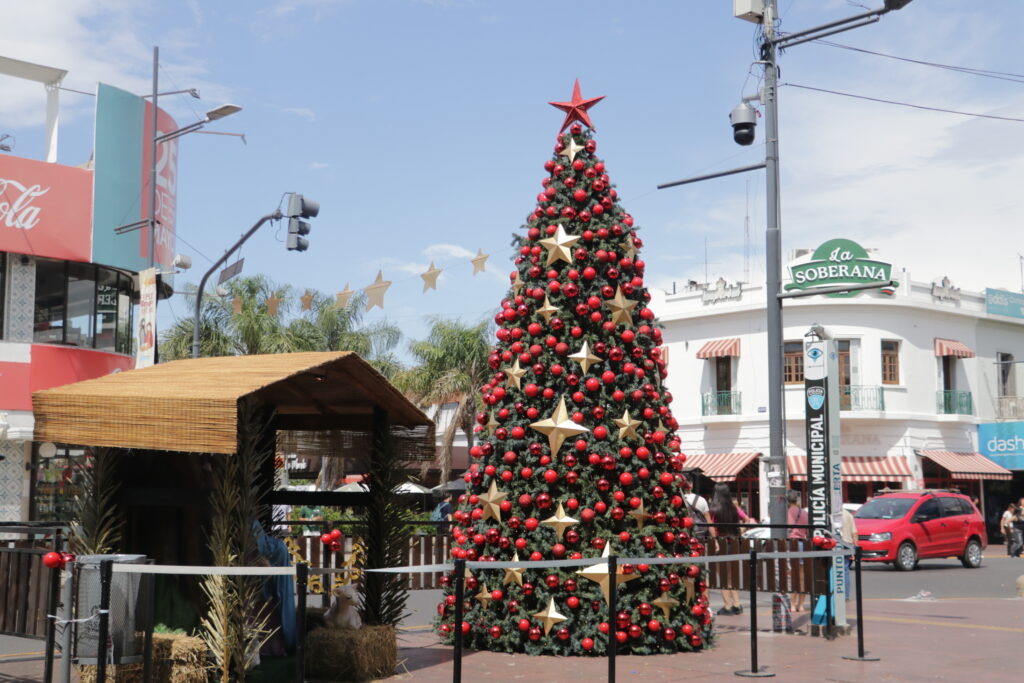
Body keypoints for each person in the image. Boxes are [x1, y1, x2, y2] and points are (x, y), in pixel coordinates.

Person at [709, 483, 745, 616]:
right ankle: (737, 604)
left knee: (723, 577)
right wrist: (739, 530)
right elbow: (747, 519)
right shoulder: (734, 508)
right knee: (732, 576)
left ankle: (727, 606)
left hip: (722, 543)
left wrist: (716, 541)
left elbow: (711, 527)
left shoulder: (714, 508)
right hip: (734, 544)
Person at [786, 489, 809, 613]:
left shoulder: (786, 512)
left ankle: (792, 604)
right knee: (802, 577)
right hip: (803, 544)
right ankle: (801, 605)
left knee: (792, 576)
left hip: (791, 544)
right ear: (797, 500)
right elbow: (808, 531)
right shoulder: (804, 513)